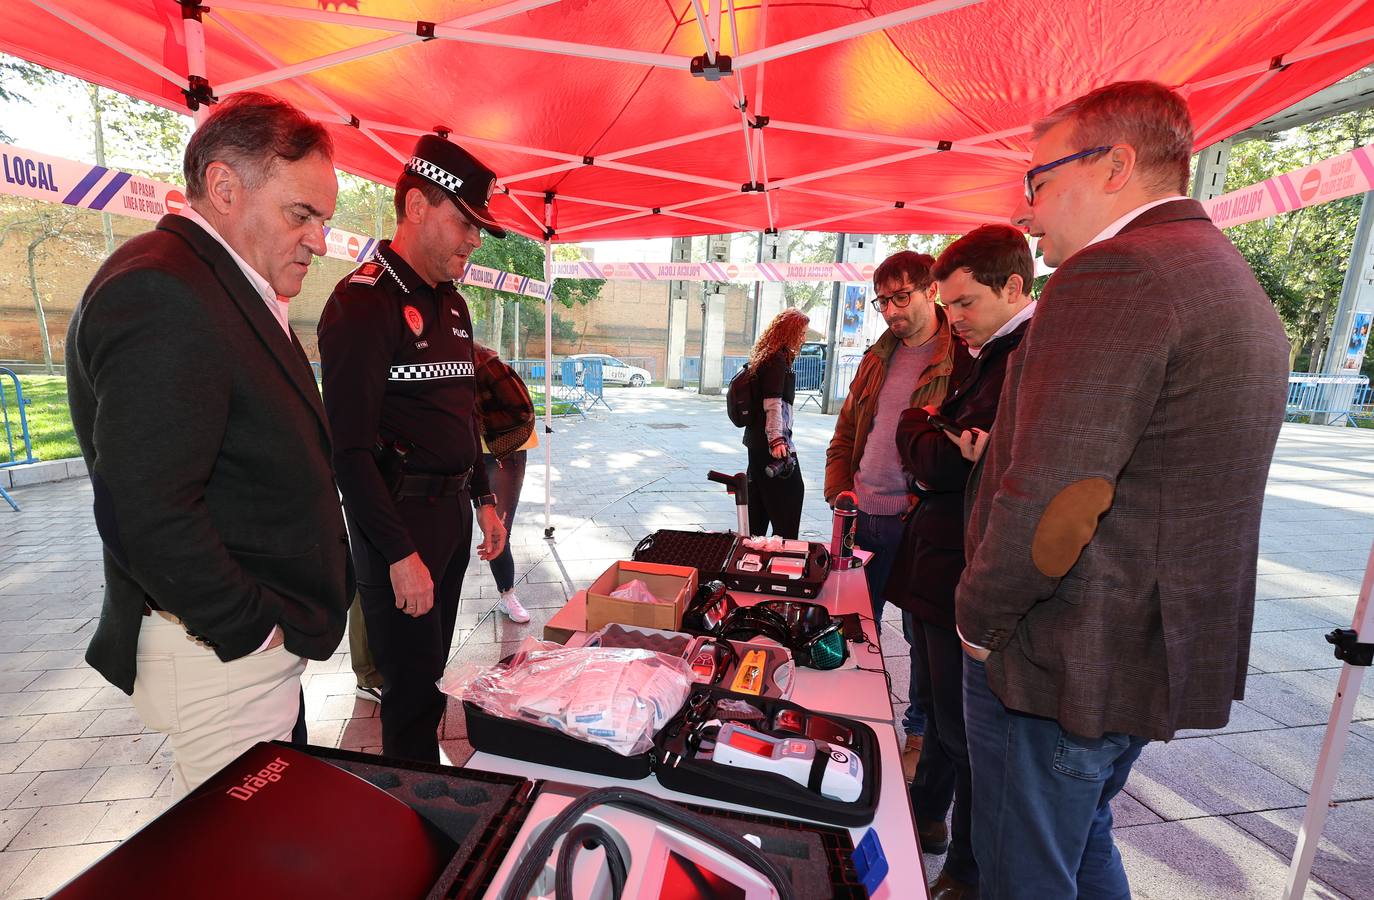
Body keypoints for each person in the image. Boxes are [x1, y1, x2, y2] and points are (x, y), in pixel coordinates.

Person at [957, 81, 1291, 899]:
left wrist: (980, 616)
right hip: (1138, 657)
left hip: (1061, 657)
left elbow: (1060, 493)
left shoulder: (1117, 273)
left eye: (1037, 180)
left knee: (1024, 874)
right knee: (1082, 843)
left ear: (1116, 164)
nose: (1028, 212)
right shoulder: (1222, 272)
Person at [65, 92, 352, 797]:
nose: (320, 241)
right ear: (225, 188)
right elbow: (146, 509)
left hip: (244, 658)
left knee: (271, 841)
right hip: (223, 660)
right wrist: (253, 632)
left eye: (324, 219)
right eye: (301, 214)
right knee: (241, 864)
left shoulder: (219, 283)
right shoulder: (165, 291)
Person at [318, 135, 508, 763]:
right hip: (398, 522)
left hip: (452, 516)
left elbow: (464, 414)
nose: (473, 241)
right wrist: (399, 552)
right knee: (407, 692)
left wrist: (483, 498)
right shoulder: (363, 301)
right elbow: (346, 450)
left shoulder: (453, 304)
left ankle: (425, 786)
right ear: (417, 206)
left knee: (429, 674)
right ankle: (411, 801)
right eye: (464, 222)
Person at [888, 225, 1036, 900]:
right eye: (949, 307)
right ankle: (926, 819)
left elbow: (942, 459)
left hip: (961, 577)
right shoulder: (987, 351)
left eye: (966, 303)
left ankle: (967, 869)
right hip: (935, 569)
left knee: (964, 731)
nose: (957, 320)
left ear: (1014, 287)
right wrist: (926, 429)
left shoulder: (1025, 357)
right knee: (946, 720)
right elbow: (932, 439)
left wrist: (925, 431)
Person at [825, 250, 954, 780]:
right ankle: (855, 724)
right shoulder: (878, 356)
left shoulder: (959, 357)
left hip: (919, 523)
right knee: (853, 630)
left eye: (902, 297)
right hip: (863, 515)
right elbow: (847, 431)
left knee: (924, 639)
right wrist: (840, 489)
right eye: (882, 301)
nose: (891, 311)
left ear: (931, 291)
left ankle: (919, 733)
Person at [475, 342, 537, 624]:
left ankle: (507, 594)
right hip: (456, 453)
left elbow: (520, 411)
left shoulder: (484, 362)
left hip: (502, 452)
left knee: (499, 528)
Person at [741, 307, 809, 539]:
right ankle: (783, 557)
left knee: (758, 508)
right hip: (773, 445)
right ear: (789, 332)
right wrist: (777, 440)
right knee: (791, 497)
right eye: (801, 333)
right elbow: (772, 404)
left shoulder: (767, 357)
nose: (803, 338)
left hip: (757, 443)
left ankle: (753, 555)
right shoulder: (776, 360)